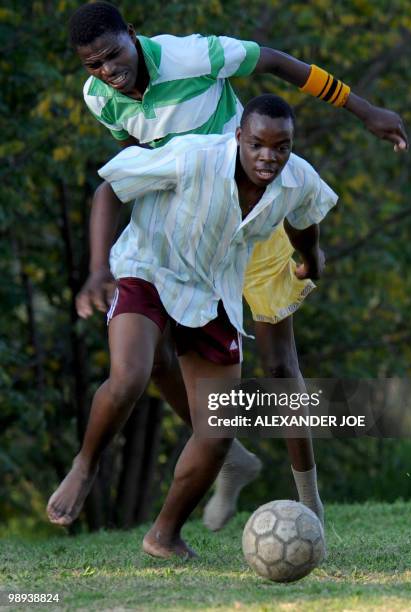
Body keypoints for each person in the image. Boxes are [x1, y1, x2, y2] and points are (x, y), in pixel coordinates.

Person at [47, 1, 408, 530]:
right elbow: (133, 156)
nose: (107, 72)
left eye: (113, 56)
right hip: (185, 224)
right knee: (151, 350)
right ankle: (224, 452)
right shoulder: (99, 96)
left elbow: (280, 63)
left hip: (252, 220)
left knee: (280, 367)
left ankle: (309, 503)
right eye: (93, 65)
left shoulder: (194, 56)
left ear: (132, 34)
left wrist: (364, 108)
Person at [52, 94, 338, 557]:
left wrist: (309, 258)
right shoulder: (195, 158)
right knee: (130, 376)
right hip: (150, 268)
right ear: (239, 136)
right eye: (259, 144)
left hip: (213, 291)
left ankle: (164, 536)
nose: (269, 156)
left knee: (219, 431)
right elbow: (109, 189)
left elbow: (304, 220)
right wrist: (98, 270)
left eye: (281, 146)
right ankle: (85, 465)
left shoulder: (297, 177)